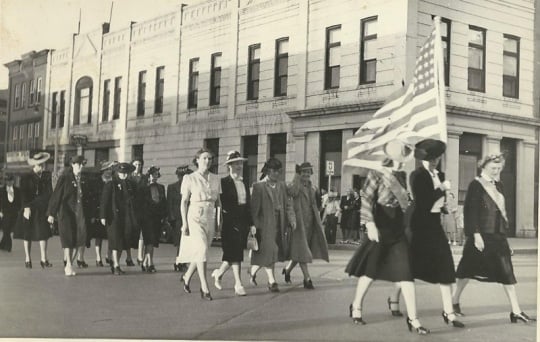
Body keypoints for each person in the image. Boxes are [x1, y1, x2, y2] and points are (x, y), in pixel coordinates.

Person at [345, 140, 429, 335]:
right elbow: (366, 198)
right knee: (370, 271)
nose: (402, 163)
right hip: (380, 226)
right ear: (391, 158)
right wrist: (370, 223)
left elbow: (405, 203)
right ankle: (356, 306)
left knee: (406, 273)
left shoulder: (402, 175)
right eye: (399, 159)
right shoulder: (377, 173)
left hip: (398, 228)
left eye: (404, 159)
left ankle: (414, 319)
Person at [452, 154, 536, 323]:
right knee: (466, 271)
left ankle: (516, 311)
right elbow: (470, 212)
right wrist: (475, 235)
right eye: (493, 169)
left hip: (498, 236)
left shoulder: (500, 185)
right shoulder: (475, 185)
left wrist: (505, 238)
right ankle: (454, 301)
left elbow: (500, 214)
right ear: (483, 167)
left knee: (507, 272)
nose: (496, 172)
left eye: (498, 169)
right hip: (481, 236)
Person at [409, 139, 464, 329]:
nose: (434, 162)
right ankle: (395, 298)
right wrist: (440, 189)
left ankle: (449, 313)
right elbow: (423, 203)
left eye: (437, 158)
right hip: (419, 227)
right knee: (410, 270)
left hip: (434, 225)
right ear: (422, 159)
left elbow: (435, 203)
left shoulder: (439, 175)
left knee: (445, 267)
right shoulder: (416, 176)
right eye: (430, 159)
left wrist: (444, 208)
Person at [178, 148, 222, 300]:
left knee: (201, 252)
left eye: (210, 158)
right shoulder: (189, 178)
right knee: (202, 250)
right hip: (195, 215)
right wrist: (184, 224)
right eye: (204, 158)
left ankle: (186, 277)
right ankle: (204, 287)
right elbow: (184, 202)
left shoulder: (216, 178)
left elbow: (218, 203)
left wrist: (218, 222)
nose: (207, 161)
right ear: (197, 160)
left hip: (210, 215)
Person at [248, 157, 295, 293]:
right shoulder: (258, 186)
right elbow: (254, 209)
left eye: (279, 171)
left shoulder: (281, 185)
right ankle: (272, 281)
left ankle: (252, 271)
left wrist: (291, 219)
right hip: (264, 224)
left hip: (279, 223)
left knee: (271, 252)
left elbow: (288, 204)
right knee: (271, 250)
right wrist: (255, 226)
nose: (278, 174)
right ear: (268, 171)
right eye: (275, 171)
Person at [211, 151, 254, 296]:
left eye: (240, 163)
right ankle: (238, 283)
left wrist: (251, 223)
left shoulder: (244, 182)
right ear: (229, 166)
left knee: (232, 254)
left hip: (243, 222)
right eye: (235, 163)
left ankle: (218, 274)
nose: (238, 166)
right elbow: (220, 203)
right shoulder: (223, 182)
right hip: (230, 222)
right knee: (236, 254)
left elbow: (247, 205)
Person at [283, 162, 329, 289]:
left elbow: (315, 205)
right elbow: (291, 192)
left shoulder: (313, 188)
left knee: (300, 250)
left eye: (308, 172)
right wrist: (296, 177)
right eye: (304, 172)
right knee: (302, 250)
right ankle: (307, 279)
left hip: (309, 223)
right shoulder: (295, 185)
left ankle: (287, 270)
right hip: (298, 223)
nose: (306, 174)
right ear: (299, 173)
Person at [47, 155, 90, 276]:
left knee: (79, 240)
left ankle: (69, 262)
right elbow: (57, 195)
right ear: (72, 165)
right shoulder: (65, 178)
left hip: (80, 212)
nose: (80, 166)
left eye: (82, 164)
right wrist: (51, 213)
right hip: (66, 212)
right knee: (68, 239)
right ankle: (69, 265)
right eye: (78, 164)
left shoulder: (83, 178)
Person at [13, 152, 53, 269]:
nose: (42, 166)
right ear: (34, 165)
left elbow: (49, 192)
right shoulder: (26, 177)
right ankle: (27, 259)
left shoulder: (46, 176)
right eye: (40, 164)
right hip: (29, 208)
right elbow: (23, 194)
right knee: (27, 234)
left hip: (42, 208)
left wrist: (49, 208)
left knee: (43, 233)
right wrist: (26, 208)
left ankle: (43, 259)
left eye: (43, 164)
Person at [100, 162, 139, 275]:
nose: (124, 175)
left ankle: (115, 262)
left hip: (126, 216)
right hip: (114, 216)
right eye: (122, 173)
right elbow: (104, 201)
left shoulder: (130, 184)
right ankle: (116, 265)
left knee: (124, 241)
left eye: (126, 173)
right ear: (117, 173)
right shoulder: (110, 184)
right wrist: (102, 216)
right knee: (115, 240)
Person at [140, 166, 167, 273]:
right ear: (148, 175)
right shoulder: (143, 187)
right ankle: (150, 263)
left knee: (152, 241)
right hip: (146, 217)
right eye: (152, 175)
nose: (154, 177)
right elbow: (140, 203)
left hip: (157, 217)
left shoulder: (160, 187)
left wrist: (164, 216)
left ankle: (144, 262)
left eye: (156, 175)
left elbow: (163, 202)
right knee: (149, 240)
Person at [168, 165, 192, 272]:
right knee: (180, 242)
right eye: (182, 175)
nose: (183, 178)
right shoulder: (172, 187)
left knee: (187, 241)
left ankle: (184, 261)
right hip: (178, 218)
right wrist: (171, 218)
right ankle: (178, 262)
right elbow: (170, 203)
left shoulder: (191, 186)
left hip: (190, 216)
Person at [129, 158, 146, 267]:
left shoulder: (144, 178)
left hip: (142, 208)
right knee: (129, 232)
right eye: (135, 164)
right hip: (131, 208)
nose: (138, 166)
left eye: (140, 164)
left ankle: (140, 255)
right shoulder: (129, 178)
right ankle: (128, 256)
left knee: (142, 233)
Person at [0, 174, 21, 252]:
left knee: (8, 229)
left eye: (11, 180)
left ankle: (2, 244)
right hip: (4, 212)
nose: (9, 182)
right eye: (8, 180)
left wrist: (19, 210)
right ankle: (9, 246)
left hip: (14, 213)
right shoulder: (1, 190)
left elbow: (20, 201)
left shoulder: (17, 190)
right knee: (6, 229)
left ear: (13, 181)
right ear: (5, 181)